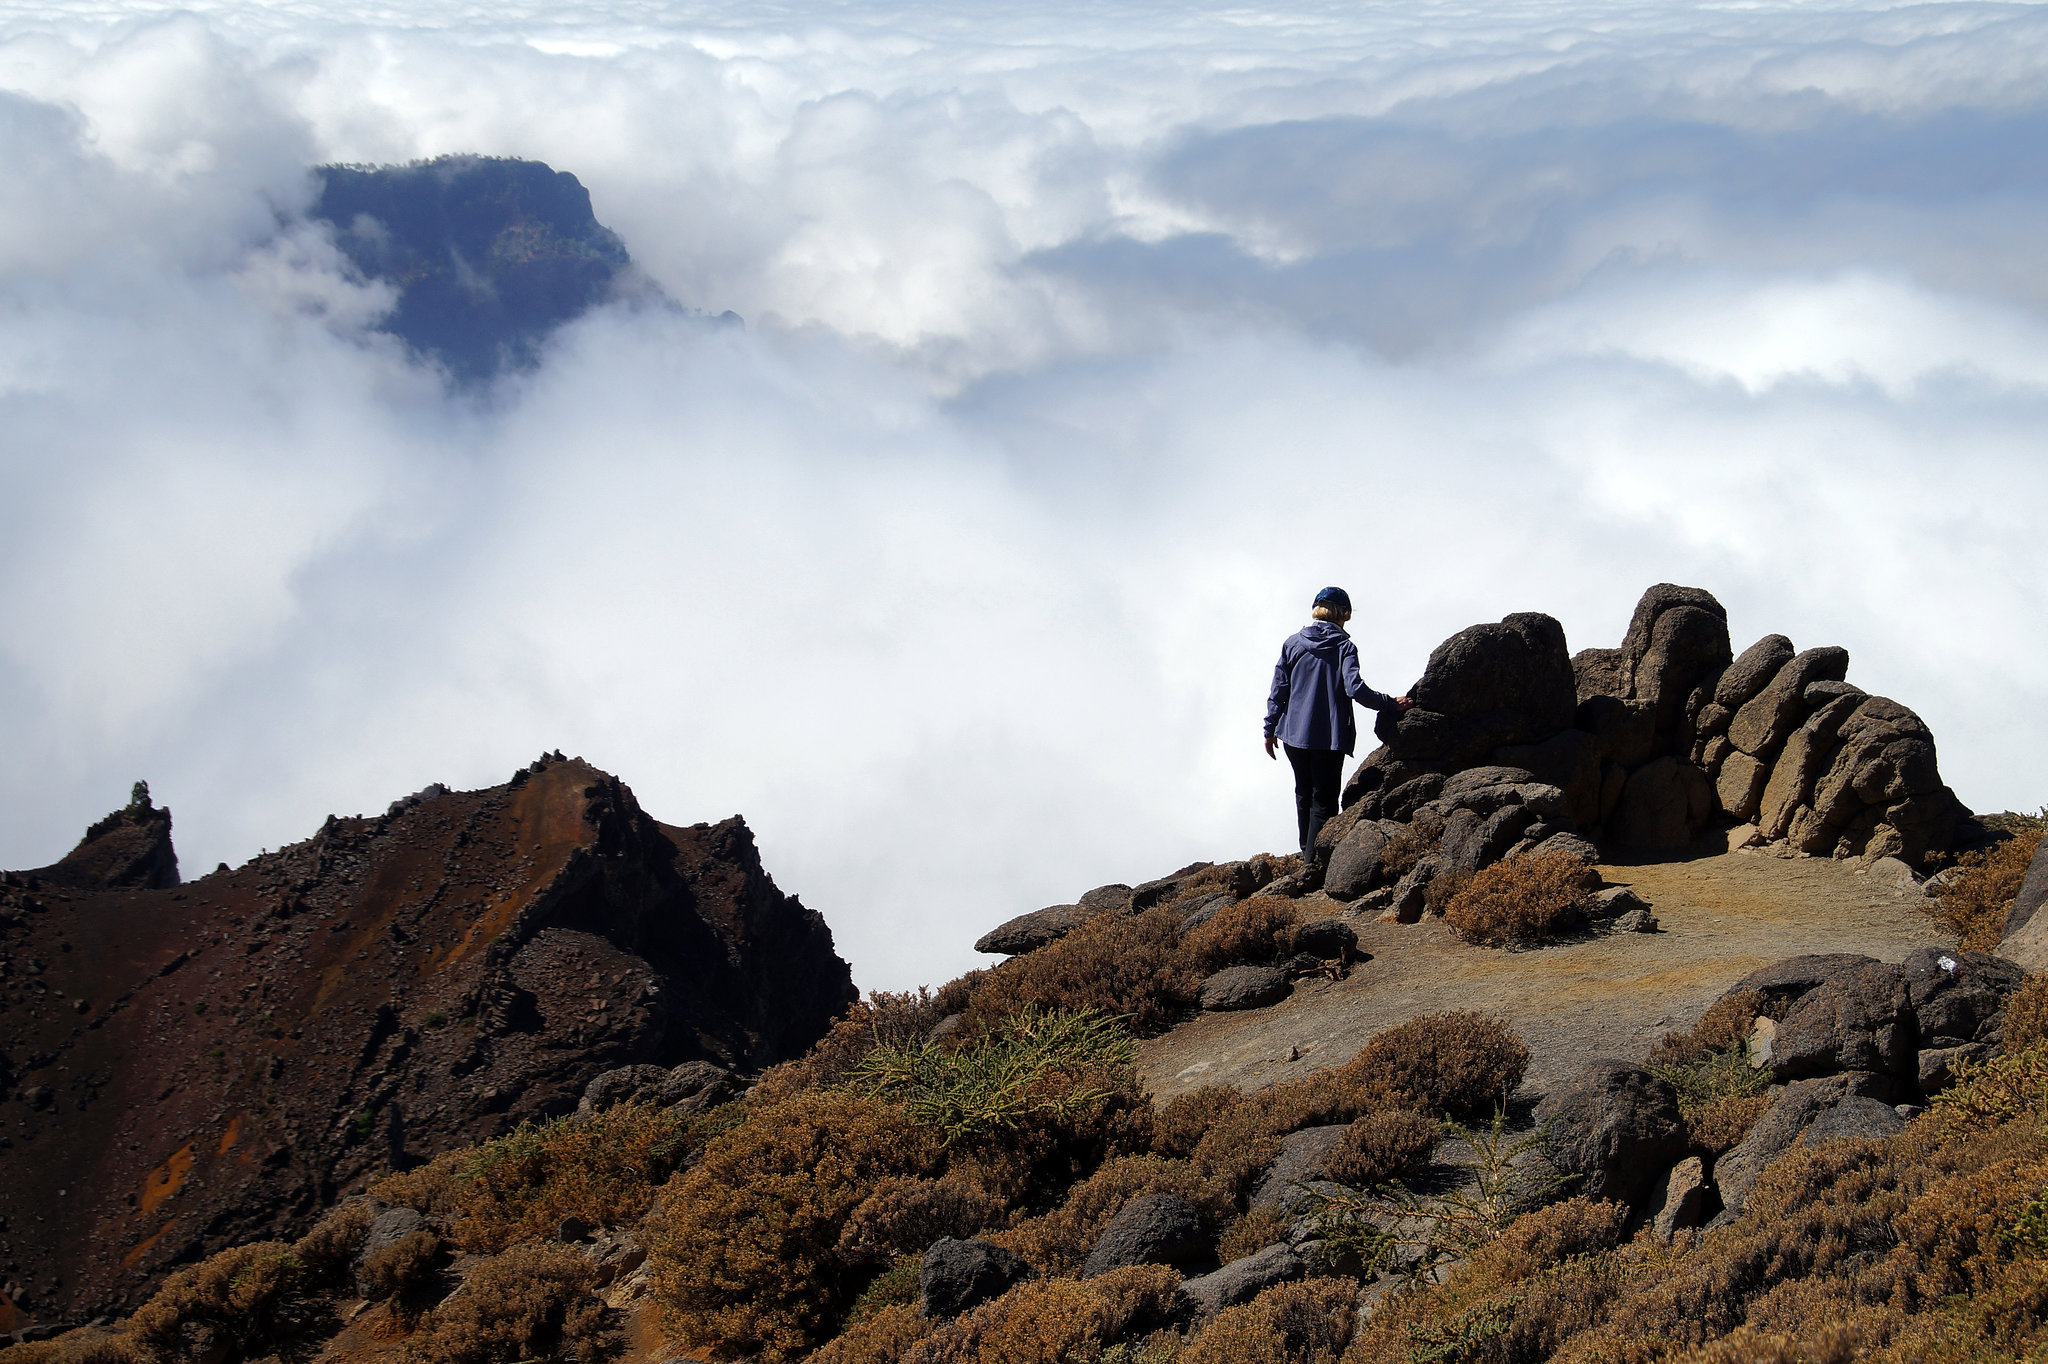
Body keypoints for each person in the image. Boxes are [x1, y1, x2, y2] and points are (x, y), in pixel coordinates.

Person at [1264, 587, 1412, 861]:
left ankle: (1305, 852)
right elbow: (1355, 689)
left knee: (1303, 793)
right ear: (1342, 615)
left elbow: (1278, 690)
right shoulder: (1344, 647)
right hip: (1328, 737)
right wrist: (1390, 703)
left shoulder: (1293, 643)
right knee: (1323, 800)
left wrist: (1269, 729)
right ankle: (1316, 863)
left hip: (1292, 735)